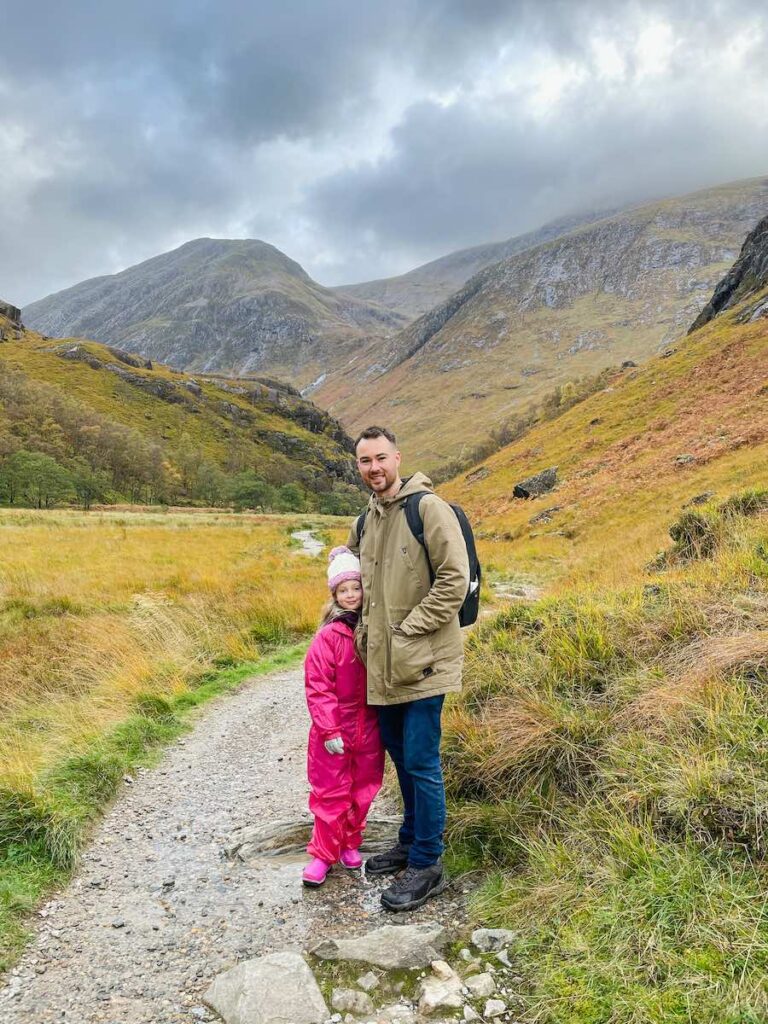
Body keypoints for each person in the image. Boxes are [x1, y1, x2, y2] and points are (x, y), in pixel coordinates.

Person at [347, 425, 469, 912]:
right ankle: (408, 841)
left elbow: (454, 580)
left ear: (397, 458)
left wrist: (407, 630)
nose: (374, 468)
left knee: (421, 763)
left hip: (422, 665)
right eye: (364, 461)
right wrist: (361, 634)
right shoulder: (364, 520)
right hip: (382, 668)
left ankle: (427, 863)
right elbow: (359, 587)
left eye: (380, 458)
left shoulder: (428, 509)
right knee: (401, 760)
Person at [302, 545, 385, 887]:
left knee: (363, 790)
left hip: (370, 727)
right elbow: (318, 686)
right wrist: (329, 728)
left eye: (356, 587)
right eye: (344, 590)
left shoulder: (376, 628)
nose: (351, 595)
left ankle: (350, 843)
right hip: (334, 729)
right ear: (334, 594)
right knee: (331, 793)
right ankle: (322, 856)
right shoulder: (328, 636)